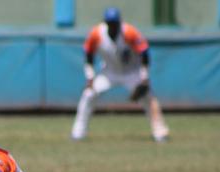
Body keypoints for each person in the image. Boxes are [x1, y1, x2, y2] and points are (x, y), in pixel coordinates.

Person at [70, 6, 169, 142]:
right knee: (88, 95)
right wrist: (90, 77)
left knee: (148, 97)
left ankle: (160, 133)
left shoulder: (129, 32)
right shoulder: (97, 33)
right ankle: (78, 133)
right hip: (109, 72)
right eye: (109, 23)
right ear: (105, 23)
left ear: (119, 22)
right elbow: (88, 53)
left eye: (114, 23)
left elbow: (144, 52)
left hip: (131, 72)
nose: (112, 25)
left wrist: (144, 77)